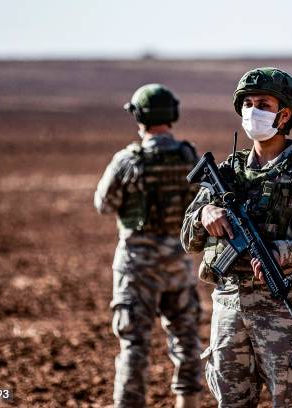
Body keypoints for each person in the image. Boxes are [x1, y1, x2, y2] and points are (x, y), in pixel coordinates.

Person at [181, 68, 292, 407]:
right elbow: (188, 239)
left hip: (282, 314)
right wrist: (203, 215)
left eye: (264, 104)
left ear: (284, 114)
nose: (253, 111)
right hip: (228, 309)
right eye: (248, 103)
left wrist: (282, 251)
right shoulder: (225, 173)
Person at [95, 84, 202, 408]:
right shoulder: (188, 157)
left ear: (139, 117)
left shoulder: (127, 160)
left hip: (136, 266)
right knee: (185, 340)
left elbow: (104, 204)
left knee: (134, 344)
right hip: (177, 263)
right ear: (173, 115)